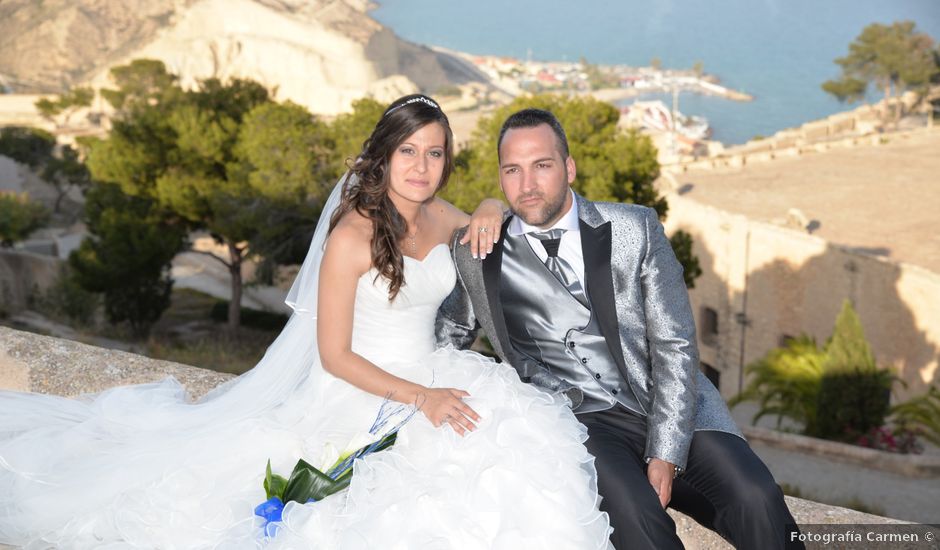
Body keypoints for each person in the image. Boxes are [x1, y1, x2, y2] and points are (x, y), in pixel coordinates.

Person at [0, 95, 612, 549]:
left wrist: (488, 203)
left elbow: (488, 211)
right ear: (383, 155)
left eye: (435, 153)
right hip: (360, 389)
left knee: (512, 457)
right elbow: (334, 356)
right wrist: (421, 398)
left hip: (436, 367)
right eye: (408, 152)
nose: (422, 166)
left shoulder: (440, 213)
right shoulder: (352, 237)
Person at [437, 108, 802, 550]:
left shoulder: (635, 228)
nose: (527, 184)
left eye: (542, 165)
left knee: (757, 497)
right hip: (579, 422)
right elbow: (449, 337)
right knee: (636, 520)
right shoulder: (476, 252)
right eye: (513, 170)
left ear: (569, 168)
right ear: (500, 178)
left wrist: (666, 451)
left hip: (667, 400)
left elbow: (676, 342)